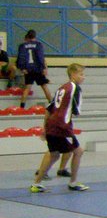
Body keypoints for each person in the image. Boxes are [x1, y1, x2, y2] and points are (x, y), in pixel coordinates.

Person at [30, 64, 89, 193]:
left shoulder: (61, 88)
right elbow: (76, 111)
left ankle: (36, 183)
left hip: (51, 124)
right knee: (78, 151)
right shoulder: (75, 88)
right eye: (81, 74)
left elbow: (49, 108)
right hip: (62, 126)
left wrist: (45, 127)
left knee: (54, 154)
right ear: (73, 74)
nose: (83, 77)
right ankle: (73, 182)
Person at [17, 29, 52, 108]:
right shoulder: (38, 45)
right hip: (38, 69)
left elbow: (21, 57)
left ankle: (22, 107)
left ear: (27, 36)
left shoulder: (22, 46)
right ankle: (52, 105)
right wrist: (44, 68)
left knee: (27, 88)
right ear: (35, 36)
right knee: (44, 86)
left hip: (28, 69)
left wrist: (22, 68)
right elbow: (40, 57)